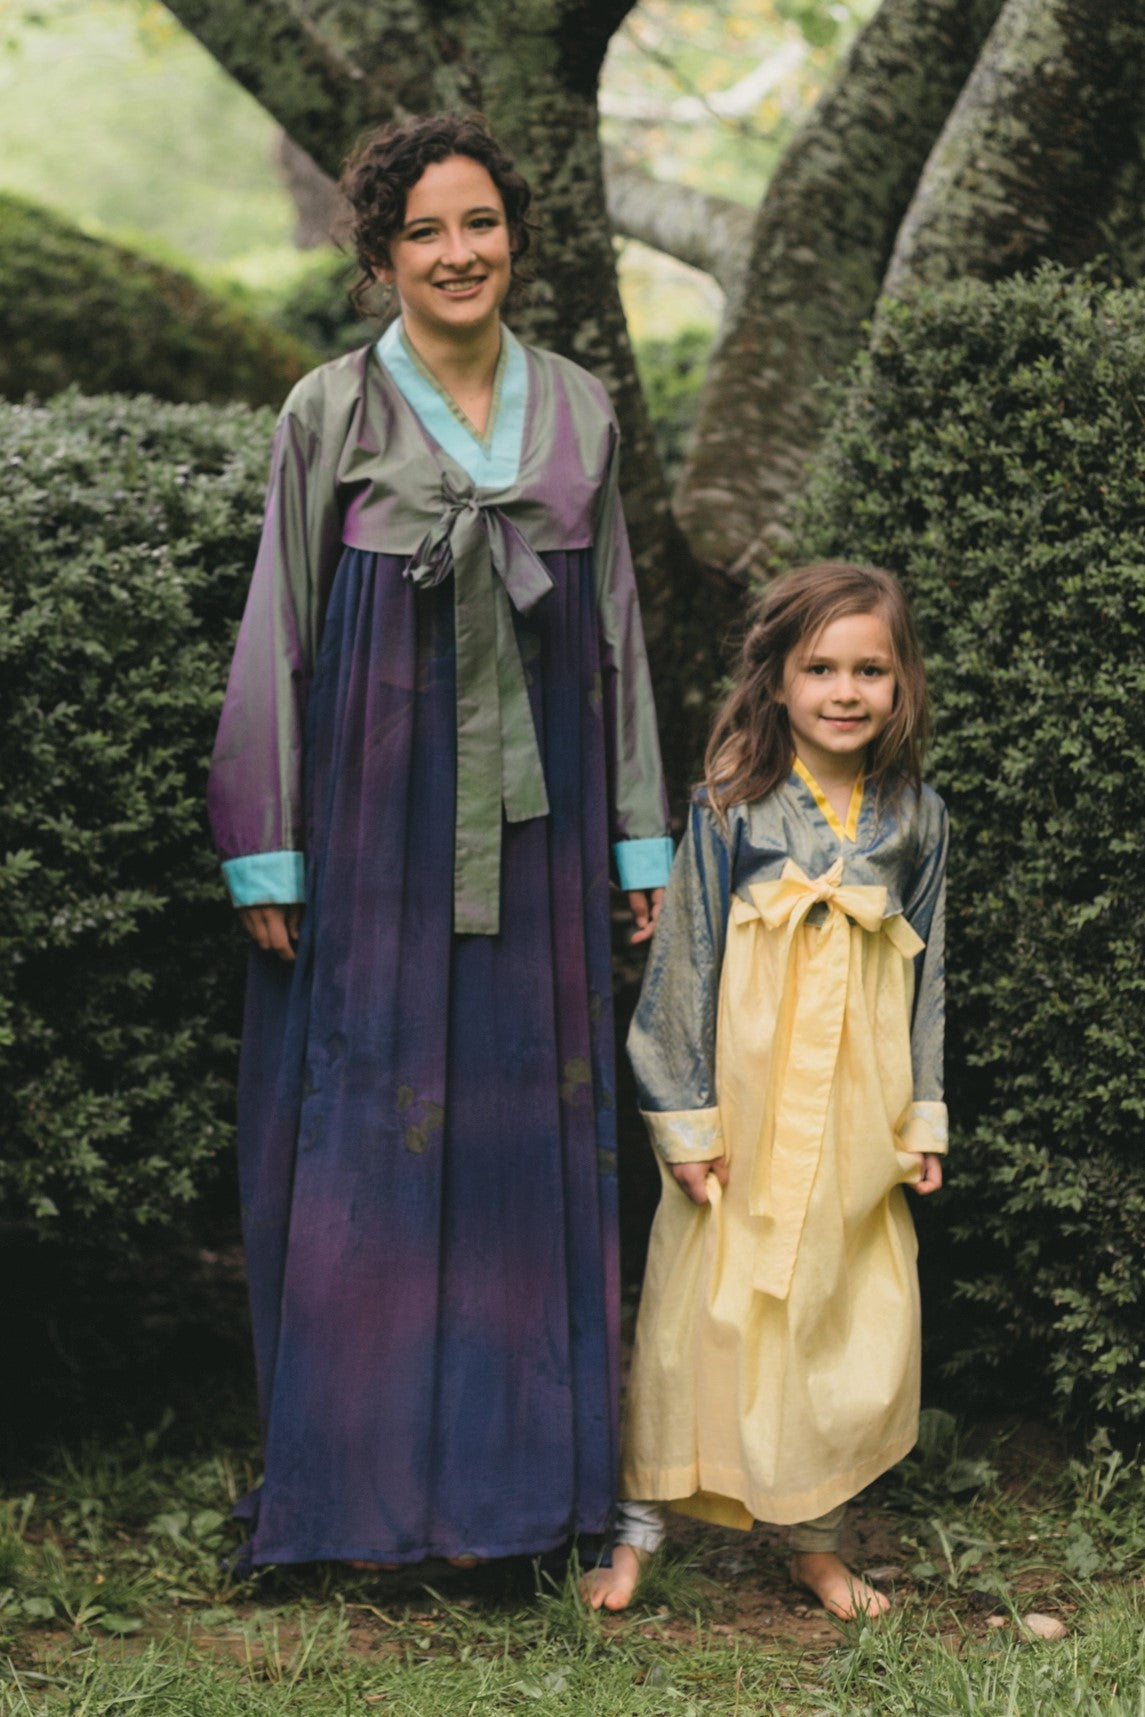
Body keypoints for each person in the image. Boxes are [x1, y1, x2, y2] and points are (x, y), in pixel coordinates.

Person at [207, 112, 672, 1569]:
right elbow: (277, 630)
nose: (458, 253)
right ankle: (361, 1500)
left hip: (536, 822)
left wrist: (638, 844)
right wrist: (267, 845)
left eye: (478, 223)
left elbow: (615, 638)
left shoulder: (582, 410)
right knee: (370, 1127)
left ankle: (517, 1498)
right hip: (370, 823)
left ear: (513, 236)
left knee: (526, 1123)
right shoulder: (327, 413)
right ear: (380, 255)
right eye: (424, 230)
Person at [585, 562, 947, 1618]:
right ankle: (638, 1534)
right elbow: (683, 967)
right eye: (819, 667)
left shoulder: (916, 821)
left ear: (900, 683)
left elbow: (930, 979)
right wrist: (684, 1122)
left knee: (843, 1314)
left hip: (853, 1110)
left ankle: (816, 1537)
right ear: (778, 682)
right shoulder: (731, 808)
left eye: (868, 669)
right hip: (741, 1111)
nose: (844, 690)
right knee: (703, 1310)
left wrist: (921, 1112)